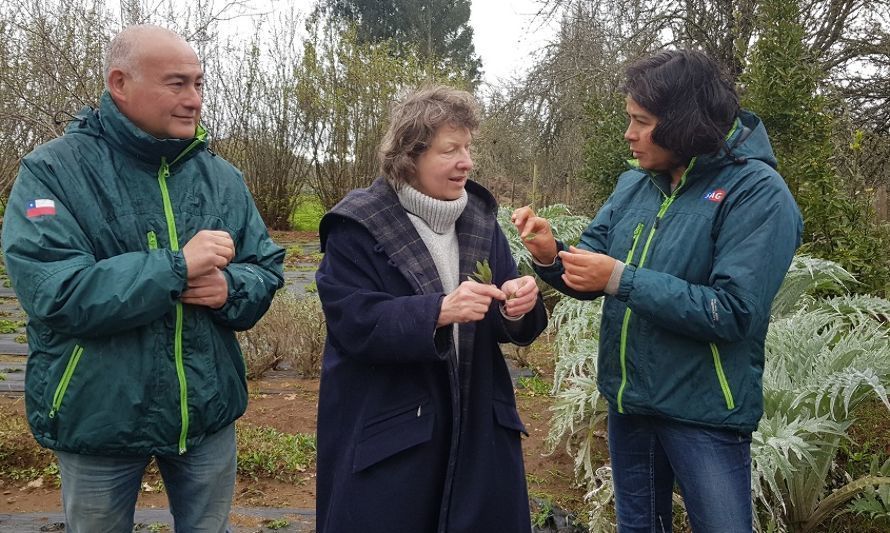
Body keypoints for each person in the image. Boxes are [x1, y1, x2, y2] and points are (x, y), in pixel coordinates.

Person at [0, 25, 284, 532]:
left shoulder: (221, 178)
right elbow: (56, 292)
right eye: (176, 84)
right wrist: (176, 267)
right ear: (119, 83)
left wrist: (230, 290)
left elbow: (266, 267)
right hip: (98, 415)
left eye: (199, 84)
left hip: (205, 411)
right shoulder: (52, 173)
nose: (193, 99)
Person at [513, 49, 802, 532]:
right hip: (632, 402)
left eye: (641, 122)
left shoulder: (757, 193)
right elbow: (590, 273)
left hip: (704, 412)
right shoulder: (634, 185)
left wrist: (619, 278)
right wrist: (550, 253)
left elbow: (733, 312)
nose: (628, 134)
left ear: (685, 125)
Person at [315, 85, 548, 533]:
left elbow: (502, 313)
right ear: (410, 157)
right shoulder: (358, 226)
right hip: (393, 430)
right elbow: (353, 322)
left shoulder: (479, 219)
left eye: (467, 147)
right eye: (450, 150)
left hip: (480, 423)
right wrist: (439, 311)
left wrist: (518, 305)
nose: (466, 161)